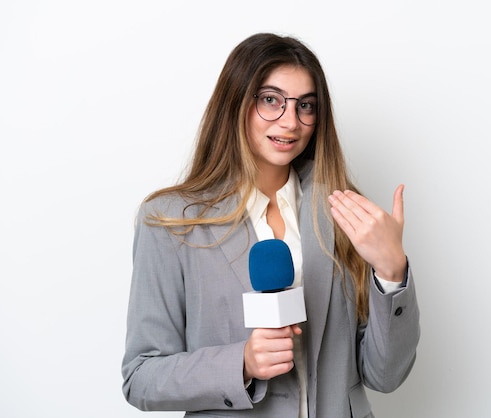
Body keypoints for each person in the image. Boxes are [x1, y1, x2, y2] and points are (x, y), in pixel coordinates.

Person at [122, 32, 420, 418]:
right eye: (270, 100)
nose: (291, 121)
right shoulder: (170, 222)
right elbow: (141, 377)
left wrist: (392, 274)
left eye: (306, 106)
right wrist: (241, 363)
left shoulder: (346, 213)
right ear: (235, 103)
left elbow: (385, 375)